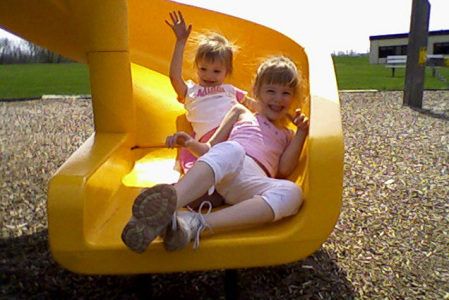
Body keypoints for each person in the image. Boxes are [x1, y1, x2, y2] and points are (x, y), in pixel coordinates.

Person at [121, 56, 309, 253]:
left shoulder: (289, 135)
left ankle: (194, 223)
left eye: (286, 93)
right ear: (257, 92)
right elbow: (211, 148)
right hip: (227, 169)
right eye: (271, 91)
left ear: (293, 98)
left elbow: (285, 169)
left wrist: (302, 133)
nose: (278, 99)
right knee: (233, 148)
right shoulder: (240, 112)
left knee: (293, 192)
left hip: (251, 184)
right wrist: (190, 143)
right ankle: (170, 203)